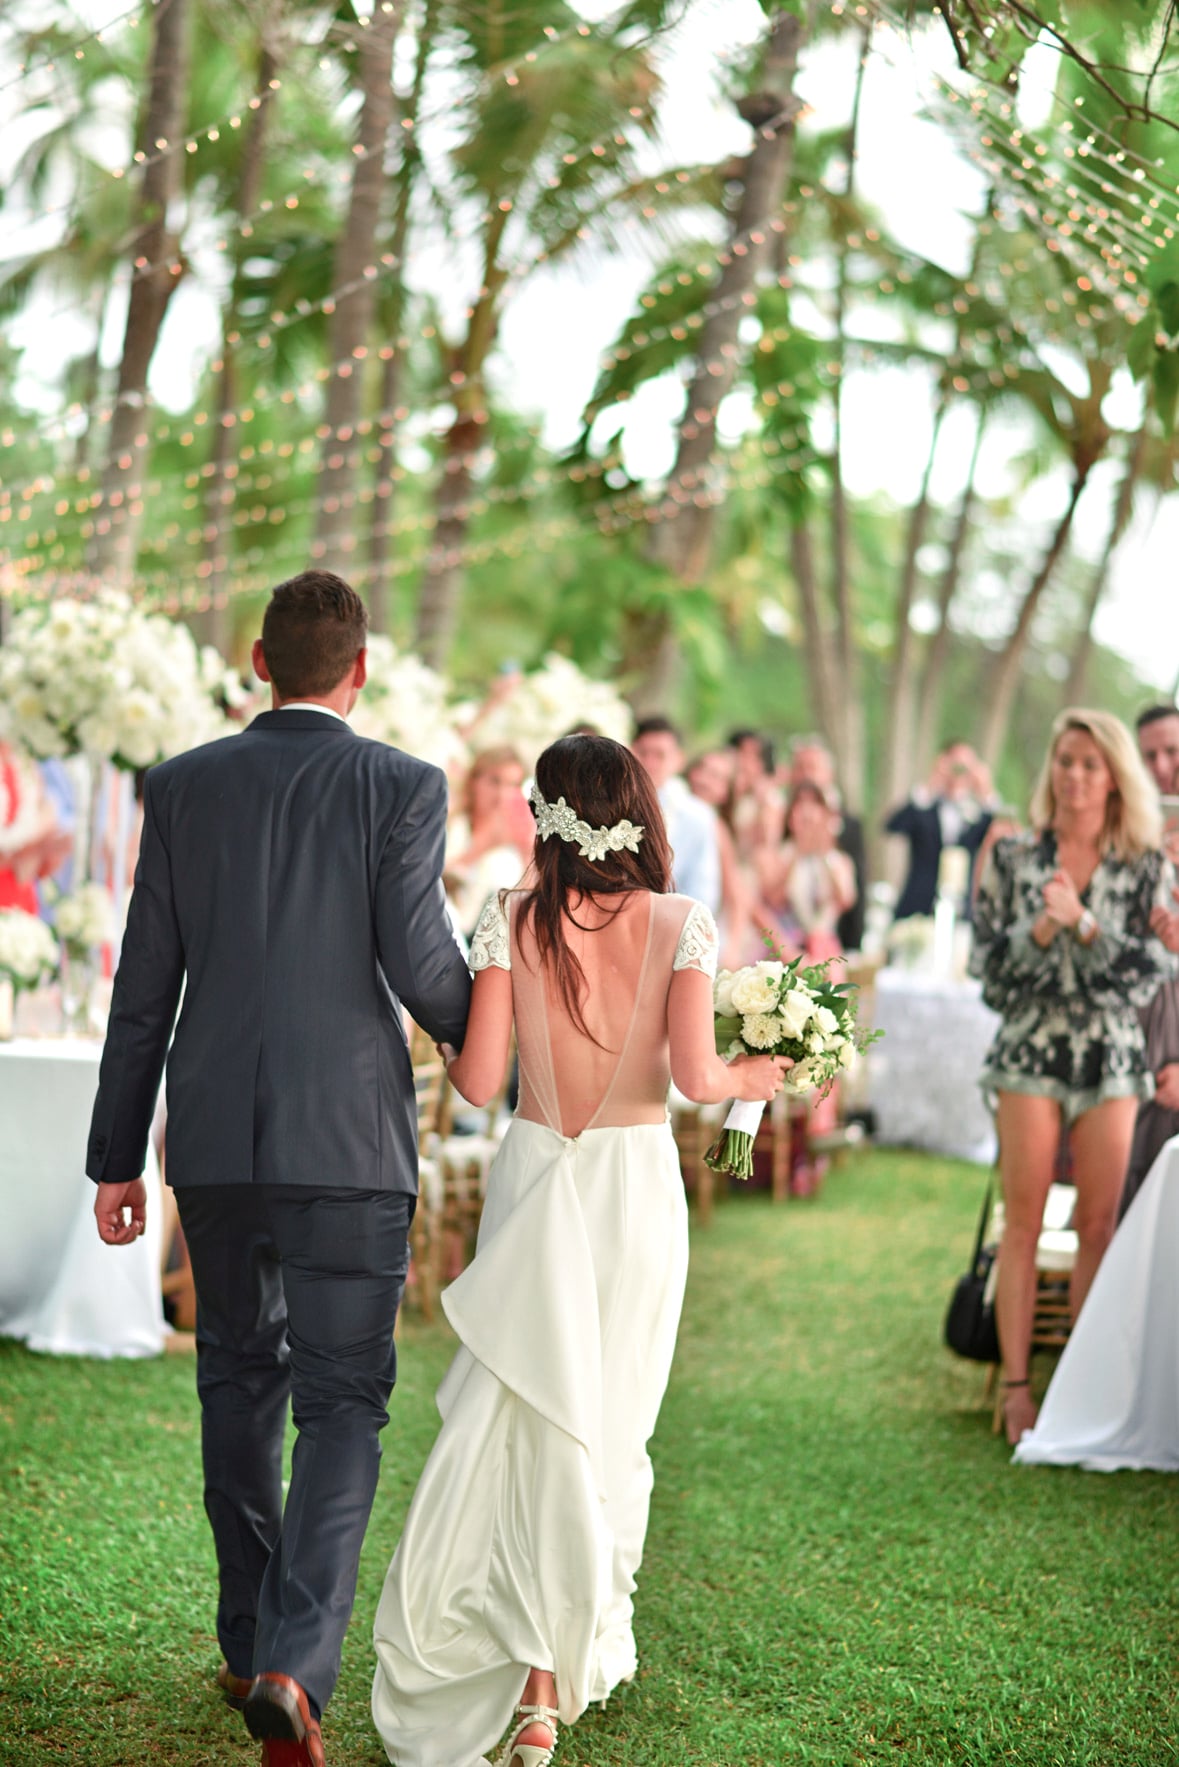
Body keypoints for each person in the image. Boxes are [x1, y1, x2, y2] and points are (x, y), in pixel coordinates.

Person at [86, 570, 472, 1767]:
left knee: (236, 1380)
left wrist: (115, 1156)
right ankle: (296, 1673)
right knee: (343, 1403)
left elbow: (144, 982)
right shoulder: (401, 786)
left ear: (259, 661)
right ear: (360, 670)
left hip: (211, 1141)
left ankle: (251, 1640)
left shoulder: (184, 786)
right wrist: (498, 1017)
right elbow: (422, 966)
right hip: (348, 1143)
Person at [371, 734, 789, 1767]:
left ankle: (535, 1685)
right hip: (634, 1194)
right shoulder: (684, 924)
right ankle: (552, 1677)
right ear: (639, 812)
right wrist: (761, 1077)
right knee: (604, 1425)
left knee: (523, 1418)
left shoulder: (511, 915)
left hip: (534, 1178)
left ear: (547, 817)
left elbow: (475, 1085)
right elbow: (697, 1075)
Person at [969, 708, 1175, 1446]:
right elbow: (987, 975)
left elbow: (1150, 973)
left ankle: (1076, 1394)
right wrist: (1041, 929)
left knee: (1096, 1224)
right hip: (1028, 1051)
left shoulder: (1146, 863)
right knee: (1021, 1223)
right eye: (1064, 759)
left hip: (1113, 1058)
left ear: (1115, 778)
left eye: (1090, 763)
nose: (1074, 775)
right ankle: (1018, 1389)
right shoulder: (1012, 855)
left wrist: (1083, 923)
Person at [1119, 705, 1179, 1217]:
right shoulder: (1130, 831)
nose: (1161, 767)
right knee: (1123, 1190)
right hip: (1133, 1021)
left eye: (1172, 753)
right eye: (1149, 756)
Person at [886, 740, 994, 920]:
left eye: (966, 767)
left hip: (959, 912)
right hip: (915, 908)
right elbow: (893, 826)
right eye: (955, 764)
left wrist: (986, 792)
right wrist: (929, 786)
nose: (959, 772)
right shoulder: (924, 806)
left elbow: (1004, 835)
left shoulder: (980, 812)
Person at [631, 716, 721, 913]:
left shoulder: (698, 815)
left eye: (660, 755)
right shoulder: (610, 805)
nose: (650, 763)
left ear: (679, 759)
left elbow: (703, 887)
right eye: (643, 753)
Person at [444, 745, 533, 939]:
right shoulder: (450, 824)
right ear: (474, 781)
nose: (502, 794)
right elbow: (430, 881)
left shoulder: (517, 844)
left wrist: (527, 853)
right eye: (495, 781)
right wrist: (481, 847)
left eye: (513, 785)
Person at [786, 737, 866, 950]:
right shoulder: (781, 838)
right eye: (800, 768)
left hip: (827, 946)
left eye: (811, 767)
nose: (805, 774)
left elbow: (850, 897)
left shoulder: (848, 828)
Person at [685, 747, 753, 966]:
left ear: (726, 792)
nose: (704, 780)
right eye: (702, 769)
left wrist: (733, 947)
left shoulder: (718, 829)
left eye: (716, 777)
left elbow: (736, 894)